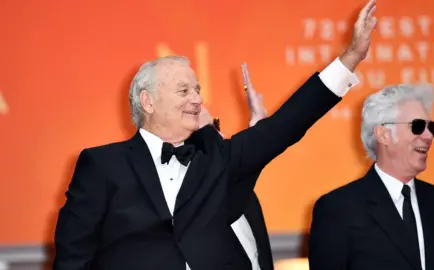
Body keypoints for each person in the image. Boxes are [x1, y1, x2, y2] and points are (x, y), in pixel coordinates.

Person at [53, 1, 376, 269]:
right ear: (147, 101)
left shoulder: (218, 158)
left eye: (197, 90)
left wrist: (350, 58)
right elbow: (73, 256)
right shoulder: (102, 163)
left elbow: (286, 125)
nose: (196, 99)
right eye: (183, 90)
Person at [308, 83, 434, 270]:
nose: (428, 136)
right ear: (383, 134)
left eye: (432, 127)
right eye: (418, 126)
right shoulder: (338, 210)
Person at [198, 63, 273, 270]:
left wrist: (260, 128)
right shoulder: (181, 212)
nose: (221, 137)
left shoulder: (245, 196)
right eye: (207, 135)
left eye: (216, 126)